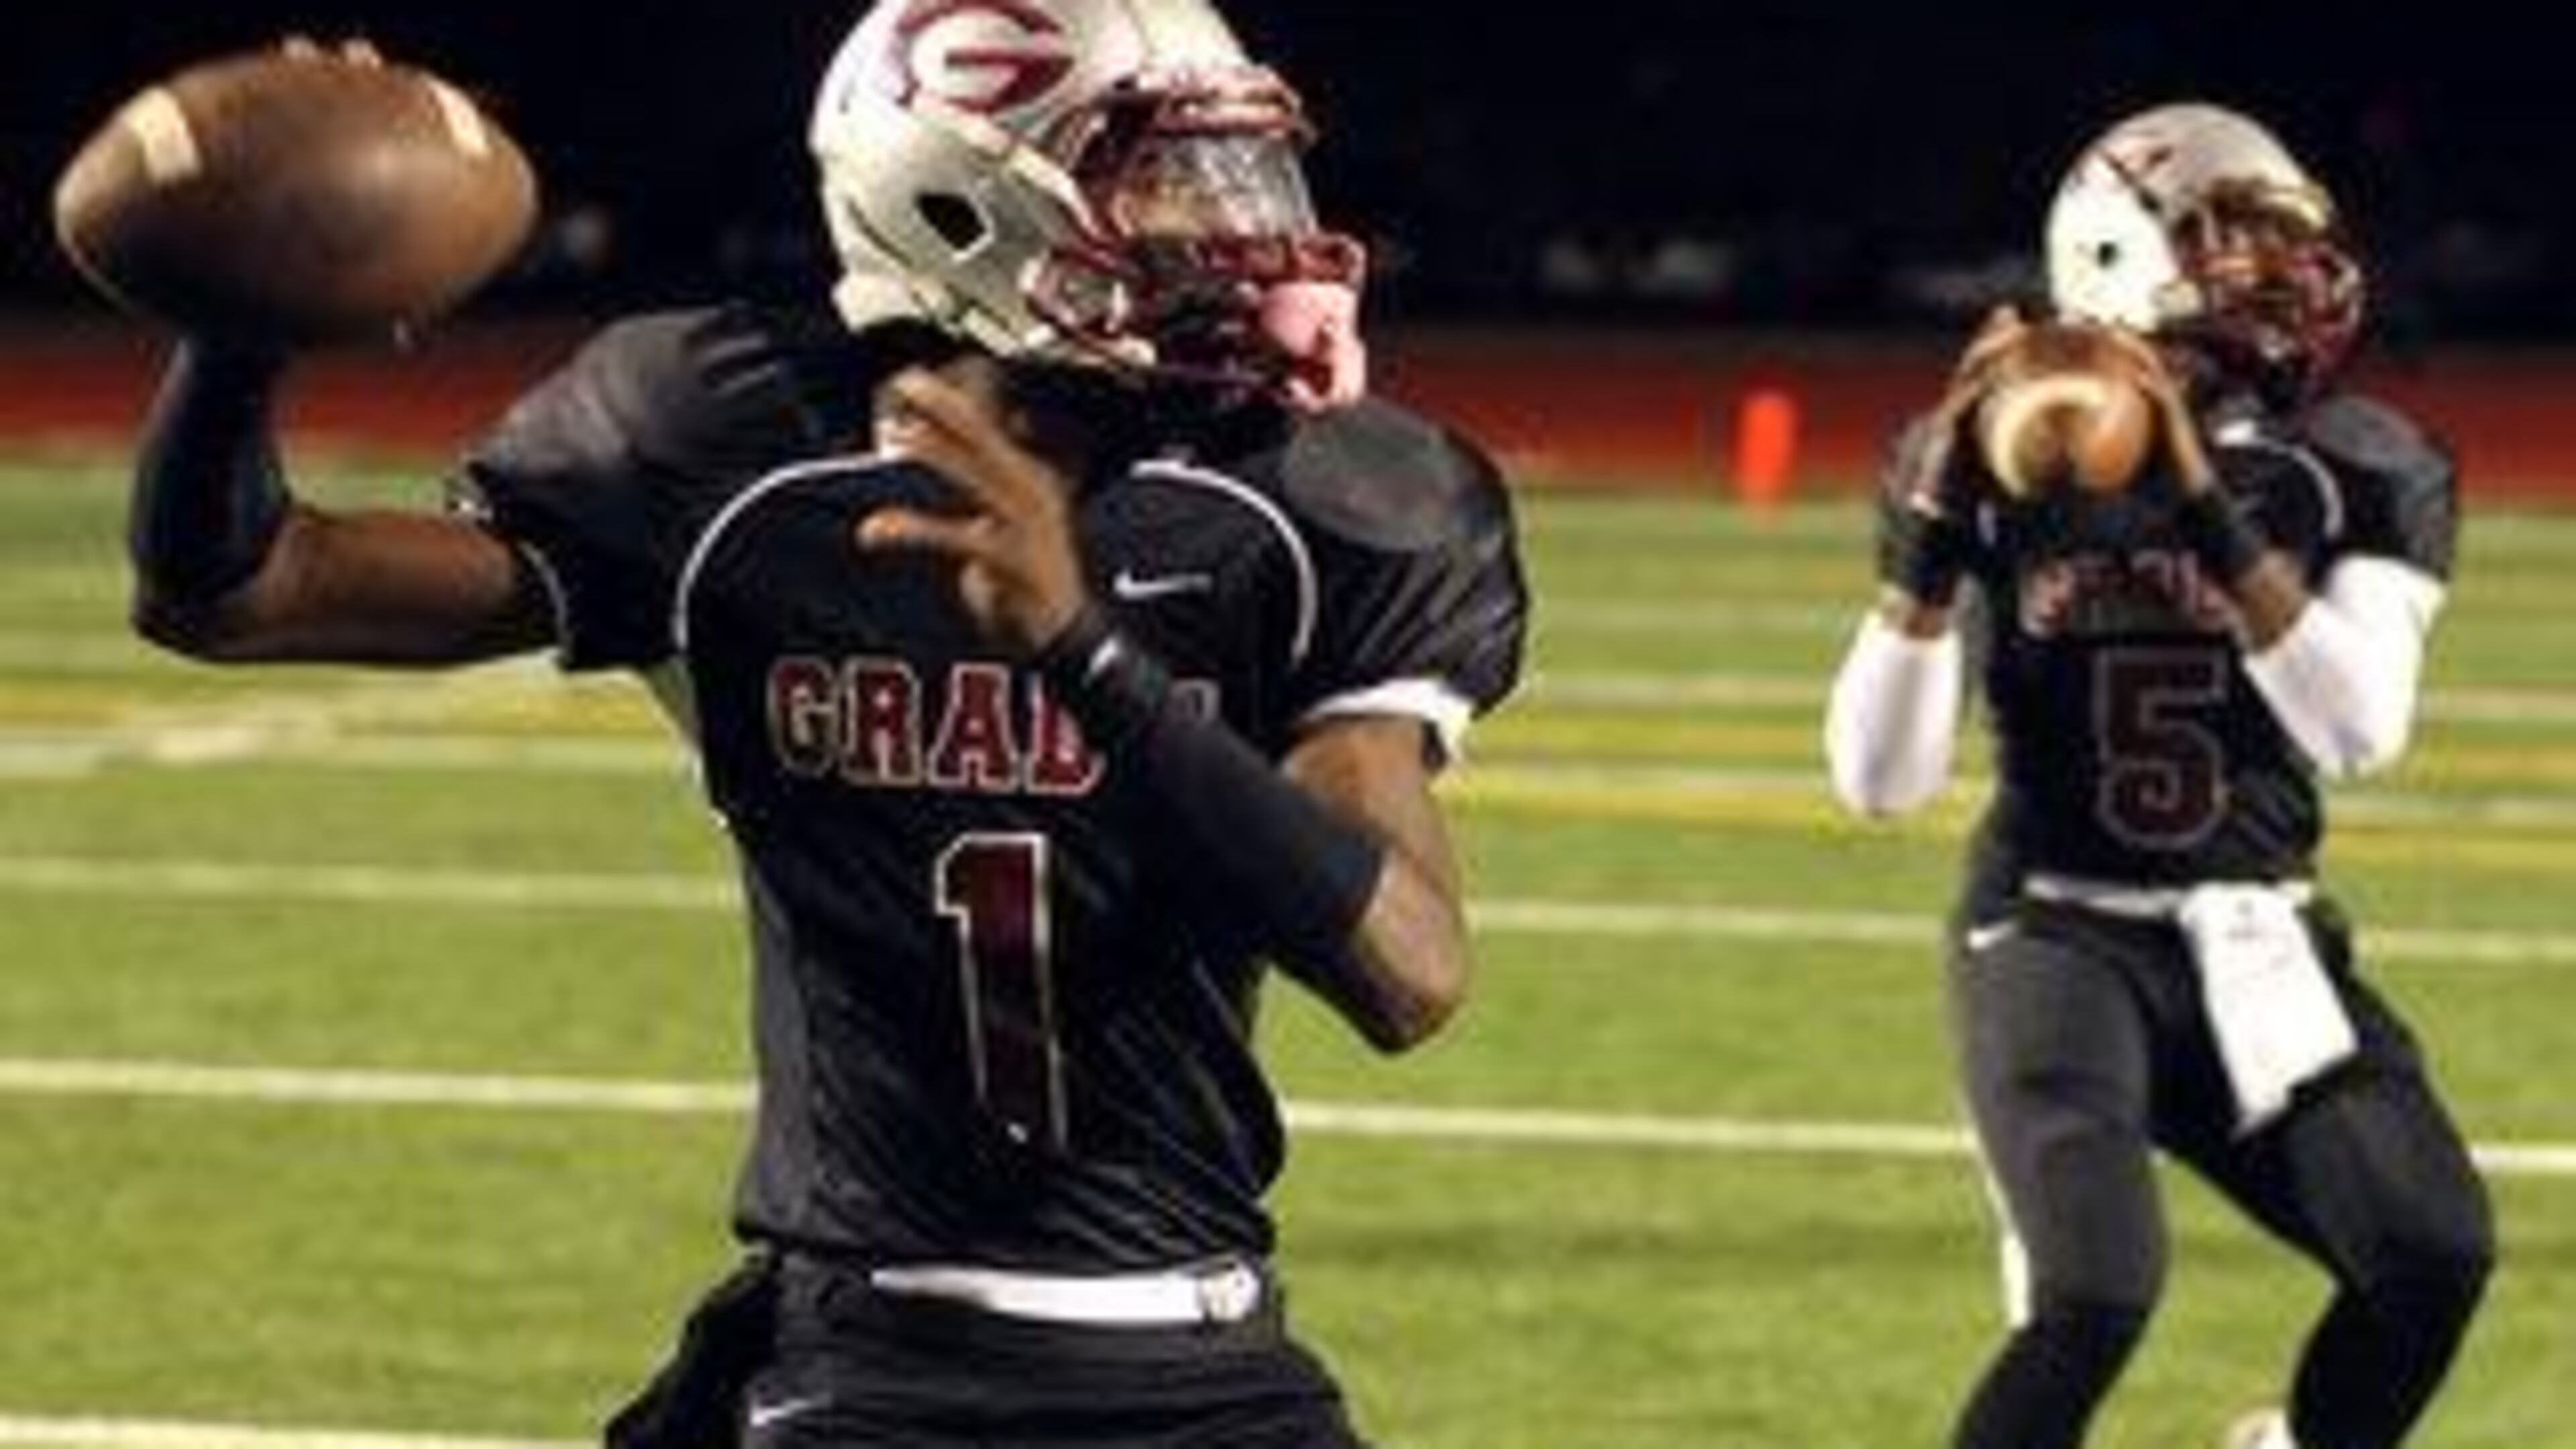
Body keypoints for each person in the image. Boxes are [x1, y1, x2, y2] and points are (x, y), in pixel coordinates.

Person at [122, 1, 1527, 1444]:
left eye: (1247, 179)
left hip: (1196, 1350)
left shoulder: (1332, 502)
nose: (1243, 237)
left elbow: (1406, 973)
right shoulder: (728, 447)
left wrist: (1079, 651)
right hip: (856, 1346)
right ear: (961, 203)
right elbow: (239, 592)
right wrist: (237, 331)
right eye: (1172, 185)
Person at [1822, 102, 2492, 1449]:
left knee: (2429, 1253)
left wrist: (2205, 510)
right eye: (2235, 239)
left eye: (2286, 241)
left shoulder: (2359, 465)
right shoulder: (2005, 449)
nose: (2282, 272)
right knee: (2092, 1296)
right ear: (2122, 257)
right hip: (2058, 931)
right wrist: (1924, 562)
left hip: (2259, 932)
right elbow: (1881, 783)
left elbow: (2359, 731)